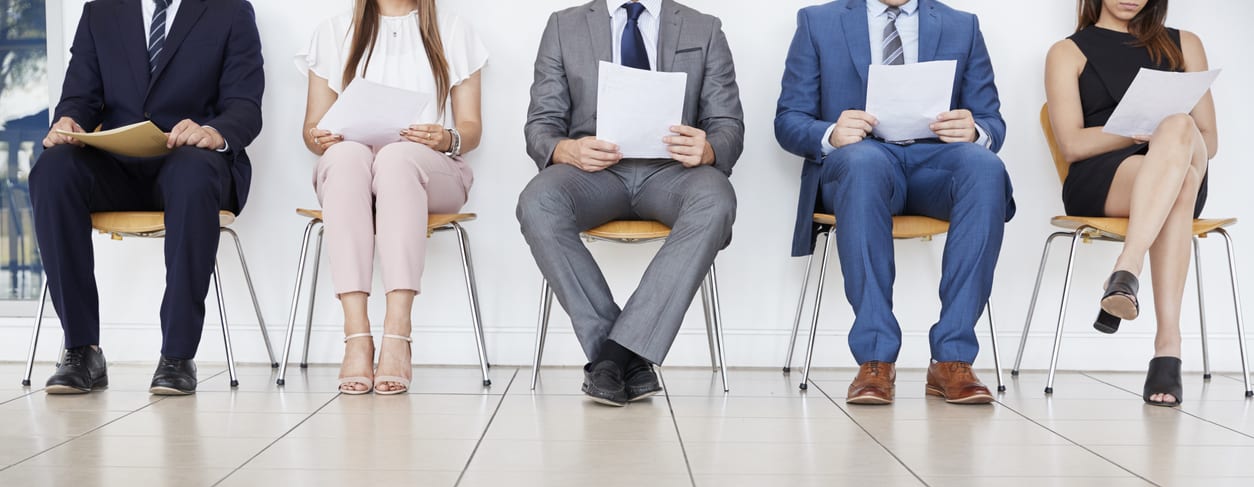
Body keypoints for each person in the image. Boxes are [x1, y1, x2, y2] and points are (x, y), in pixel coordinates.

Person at [775, 0, 1015, 405]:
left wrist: (975, 130)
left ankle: (952, 358)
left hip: (934, 164)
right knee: (863, 161)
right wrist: (831, 131)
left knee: (985, 167)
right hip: (859, 164)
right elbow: (789, 119)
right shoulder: (818, 22)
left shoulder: (963, 26)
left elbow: (992, 120)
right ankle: (876, 359)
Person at [31, 0, 264, 396]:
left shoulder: (230, 11)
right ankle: (81, 349)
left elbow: (245, 105)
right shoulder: (100, 12)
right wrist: (69, 121)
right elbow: (80, 98)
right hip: (116, 165)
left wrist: (213, 131)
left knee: (192, 172)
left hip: (190, 162)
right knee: (53, 170)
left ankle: (177, 355)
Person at [516, 0, 743, 407]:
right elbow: (541, 124)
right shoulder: (563, 26)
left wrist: (708, 149)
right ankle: (627, 354)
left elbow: (728, 125)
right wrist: (567, 149)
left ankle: (612, 358)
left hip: (674, 173)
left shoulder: (703, 28)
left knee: (715, 199)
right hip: (593, 173)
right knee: (538, 201)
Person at [299, 0, 486, 395]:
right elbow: (311, 129)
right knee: (347, 154)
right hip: (353, 173)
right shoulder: (334, 31)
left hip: (430, 172)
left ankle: (398, 334)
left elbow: (470, 128)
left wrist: (447, 137)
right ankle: (357, 335)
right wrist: (321, 136)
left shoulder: (453, 31)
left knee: (396, 158)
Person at [1045, 0, 1215, 406]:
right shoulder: (1067, 52)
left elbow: (1209, 140)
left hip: (1179, 165)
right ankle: (1167, 349)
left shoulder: (1185, 45)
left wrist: (1168, 135)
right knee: (1180, 176)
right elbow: (1072, 144)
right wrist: (1146, 129)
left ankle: (1126, 270)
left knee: (1181, 133)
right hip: (1105, 178)